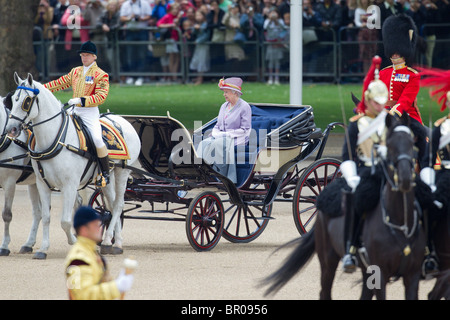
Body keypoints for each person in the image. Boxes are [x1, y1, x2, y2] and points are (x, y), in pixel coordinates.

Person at [44, 41, 112, 186]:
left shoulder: (101, 75)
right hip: (74, 109)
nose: (84, 58)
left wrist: (81, 100)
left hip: (89, 112)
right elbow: (59, 83)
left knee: (97, 139)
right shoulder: (76, 71)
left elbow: (101, 96)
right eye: (82, 55)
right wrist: (41, 89)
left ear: (94, 57)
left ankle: (105, 173)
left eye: (87, 55)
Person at [376, 13, 428, 169]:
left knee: (422, 136)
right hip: (384, 114)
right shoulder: (384, 72)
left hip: (407, 116)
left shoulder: (412, 75)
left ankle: (424, 168)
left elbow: (406, 99)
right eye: (393, 50)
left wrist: (395, 112)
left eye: (398, 51)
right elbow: (377, 95)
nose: (395, 54)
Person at [65, 206, 134, 300]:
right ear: (84, 230)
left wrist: (117, 281)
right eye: (95, 225)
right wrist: (116, 287)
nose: (100, 228)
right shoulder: (78, 259)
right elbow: (82, 295)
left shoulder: (91, 253)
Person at [197, 77, 251, 183]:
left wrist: (226, 134)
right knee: (204, 143)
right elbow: (217, 125)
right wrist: (216, 132)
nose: (224, 94)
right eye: (224, 92)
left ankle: (217, 173)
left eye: (226, 92)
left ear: (235, 93)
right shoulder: (223, 106)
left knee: (218, 144)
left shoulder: (244, 107)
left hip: (237, 138)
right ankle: (199, 170)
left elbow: (245, 130)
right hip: (221, 137)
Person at [120, 0, 152, 86]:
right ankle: (131, 76)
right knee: (130, 54)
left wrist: (141, 19)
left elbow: (149, 16)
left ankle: (140, 76)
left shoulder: (144, 3)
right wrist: (130, 18)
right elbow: (122, 17)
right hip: (130, 31)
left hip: (142, 31)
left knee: (142, 54)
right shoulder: (126, 4)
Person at [263, 8, 286, 85]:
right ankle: (270, 78)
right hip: (270, 44)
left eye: (274, 13)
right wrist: (270, 20)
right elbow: (265, 28)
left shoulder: (280, 21)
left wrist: (276, 21)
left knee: (277, 62)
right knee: (270, 61)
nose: (273, 14)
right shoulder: (267, 21)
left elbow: (283, 28)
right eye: (271, 13)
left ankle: (277, 78)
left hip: (278, 43)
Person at [189, 10, 211, 85]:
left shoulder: (205, 24)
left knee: (202, 61)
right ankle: (197, 78)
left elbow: (206, 36)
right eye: (197, 15)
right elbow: (194, 33)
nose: (198, 17)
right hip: (198, 46)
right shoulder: (197, 24)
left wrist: (198, 40)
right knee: (197, 61)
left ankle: (200, 79)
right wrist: (195, 28)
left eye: (199, 15)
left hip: (203, 45)